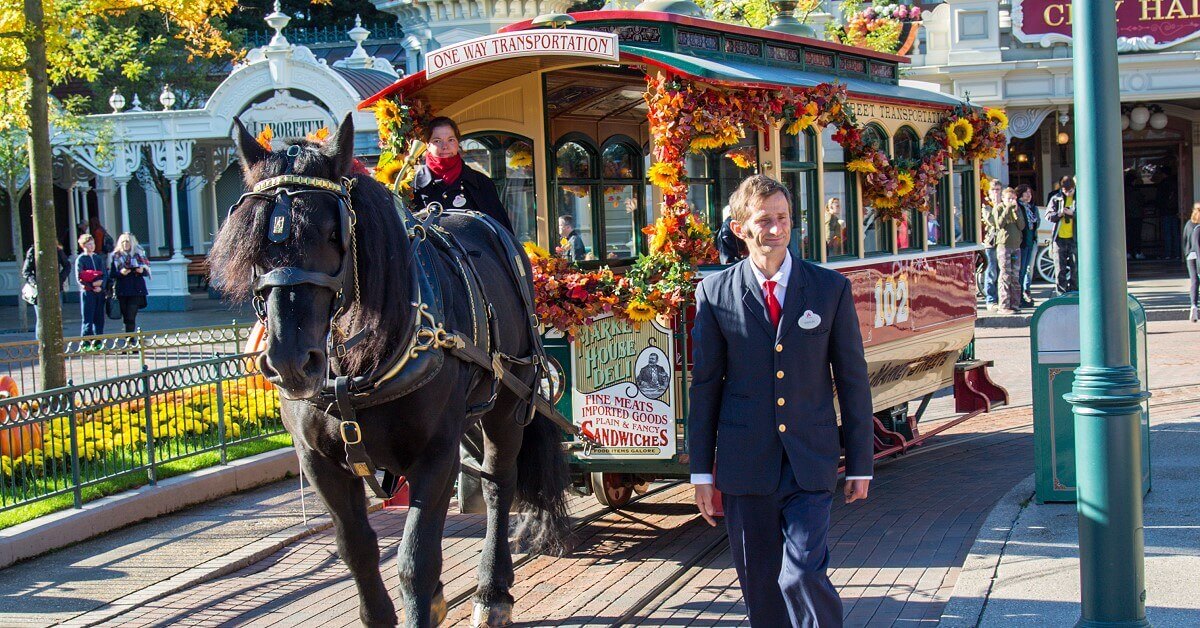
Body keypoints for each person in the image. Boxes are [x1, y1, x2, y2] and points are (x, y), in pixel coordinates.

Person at [689, 175, 873, 627]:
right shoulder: (715, 293)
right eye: (764, 220)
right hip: (744, 465)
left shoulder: (829, 289)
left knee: (801, 574)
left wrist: (862, 462)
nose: (776, 229)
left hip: (809, 461)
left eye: (783, 218)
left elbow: (852, 380)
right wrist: (701, 473)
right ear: (740, 229)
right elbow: (706, 386)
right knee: (761, 591)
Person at [411, 116, 515, 233]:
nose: (445, 147)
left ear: (457, 143)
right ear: (427, 145)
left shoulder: (482, 183)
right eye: (437, 141)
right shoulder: (413, 186)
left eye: (451, 140)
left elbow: (502, 231)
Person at [22, 241, 72, 335]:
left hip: (55, 288)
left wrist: (60, 279)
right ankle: (42, 344)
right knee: (42, 319)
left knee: (56, 317)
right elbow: (26, 271)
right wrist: (35, 284)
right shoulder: (33, 250)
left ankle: (56, 342)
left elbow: (67, 265)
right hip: (39, 290)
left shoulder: (57, 250)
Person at [109, 232, 150, 334]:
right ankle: (128, 339)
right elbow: (112, 274)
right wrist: (121, 273)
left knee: (131, 316)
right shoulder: (116, 256)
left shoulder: (139, 254)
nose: (125, 244)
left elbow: (146, 270)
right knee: (126, 317)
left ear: (132, 243)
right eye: (122, 242)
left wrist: (141, 271)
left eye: (127, 241)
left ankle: (130, 340)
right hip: (122, 290)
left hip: (136, 289)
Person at [994, 187, 1026, 314]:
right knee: (1005, 276)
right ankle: (1004, 305)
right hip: (1004, 246)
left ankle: (1015, 304)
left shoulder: (1017, 210)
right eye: (1009, 198)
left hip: (1016, 246)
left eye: (1013, 198)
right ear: (1003, 199)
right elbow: (999, 224)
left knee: (1015, 276)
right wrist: (1007, 208)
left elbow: (1022, 226)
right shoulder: (999, 208)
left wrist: (1016, 212)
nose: (1011, 201)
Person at [1047, 176, 1078, 294]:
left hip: (1074, 238)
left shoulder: (1079, 198)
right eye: (1065, 191)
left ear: (1074, 188)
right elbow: (1048, 215)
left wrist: (1072, 214)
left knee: (1075, 267)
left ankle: (1075, 291)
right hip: (1058, 239)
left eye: (1070, 191)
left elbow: (1087, 215)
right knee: (1060, 268)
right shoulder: (1056, 198)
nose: (1068, 193)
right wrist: (1059, 214)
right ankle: (1061, 293)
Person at [74, 234, 108, 344]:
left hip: (99, 292)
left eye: (92, 243)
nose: (91, 246)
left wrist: (101, 285)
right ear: (83, 246)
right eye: (88, 244)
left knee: (99, 317)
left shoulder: (98, 258)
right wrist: (91, 286)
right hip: (88, 293)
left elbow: (105, 274)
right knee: (88, 317)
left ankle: (98, 341)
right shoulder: (81, 259)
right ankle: (86, 341)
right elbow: (79, 277)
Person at [1016, 184, 1040, 307]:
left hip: (1031, 241)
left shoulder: (1031, 207)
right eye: (1026, 193)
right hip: (1022, 243)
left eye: (1030, 193)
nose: (1029, 195)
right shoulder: (1018, 206)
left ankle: (1024, 293)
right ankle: (1019, 298)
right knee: (1020, 271)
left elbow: (1036, 223)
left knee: (1026, 269)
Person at [981, 178, 1002, 309]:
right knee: (991, 272)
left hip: (1004, 242)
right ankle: (990, 299)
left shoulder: (1004, 204)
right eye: (993, 190)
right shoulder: (987, 205)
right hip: (991, 242)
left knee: (1003, 272)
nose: (996, 192)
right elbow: (993, 221)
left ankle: (1001, 298)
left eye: (998, 190)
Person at [1184, 202, 1200, 322]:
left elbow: (1185, 240)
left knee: (1194, 281)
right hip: (1198, 255)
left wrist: (1186, 253)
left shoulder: (1189, 224)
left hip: (1190, 255)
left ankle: (1193, 305)